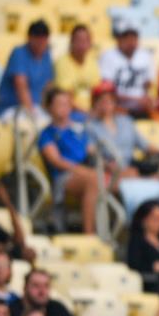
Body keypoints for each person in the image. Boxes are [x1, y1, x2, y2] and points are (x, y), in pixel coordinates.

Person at [38, 88, 99, 234]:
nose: (64, 108)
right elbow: (56, 161)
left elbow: (91, 150)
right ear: (49, 107)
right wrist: (79, 170)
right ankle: (90, 234)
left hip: (88, 171)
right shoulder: (47, 134)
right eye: (59, 104)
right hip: (64, 177)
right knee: (93, 179)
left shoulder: (80, 127)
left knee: (125, 174)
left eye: (67, 103)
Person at [88, 81, 159, 176]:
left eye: (110, 100)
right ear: (95, 103)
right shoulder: (90, 126)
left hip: (130, 167)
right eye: (102, 100)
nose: (106, 104)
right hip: (107, 174)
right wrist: (108, 166)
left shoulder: (126, 121)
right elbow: (92, 154)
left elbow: (146, 146)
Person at [0, 20, 54, 119]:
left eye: (43, 39)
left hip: (37, 108)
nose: (40, 43)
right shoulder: (19, 53)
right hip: (11, 108)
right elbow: (21, 85)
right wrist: (32, 114)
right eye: (37, 38)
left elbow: (48, 86)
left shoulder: (46, 55)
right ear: (29, 38)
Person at [98, 21, 154, 117]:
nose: (130, 41)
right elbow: (106, 91)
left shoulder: (145, 56)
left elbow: (148, 84)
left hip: (140, 108)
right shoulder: (108, 56)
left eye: (133, 37)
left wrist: (147, 99)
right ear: (118, 39)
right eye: (126, 37)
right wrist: (135, 100)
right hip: (116, 108)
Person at [126, 199, 159, 293]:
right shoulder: (137, 241)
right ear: (143, 219)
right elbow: (135, 267)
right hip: (150, 286)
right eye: (155, 219)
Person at [54, 25, 101, 112]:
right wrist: (86, 112)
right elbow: (65, 97)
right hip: (70, 111)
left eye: (85, 41)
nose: (82, 44)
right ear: (71, 41)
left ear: (90, 43)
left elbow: (96, 91)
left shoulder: (92, 62)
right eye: (78, 40)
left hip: (92, 111)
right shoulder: (62, 62)